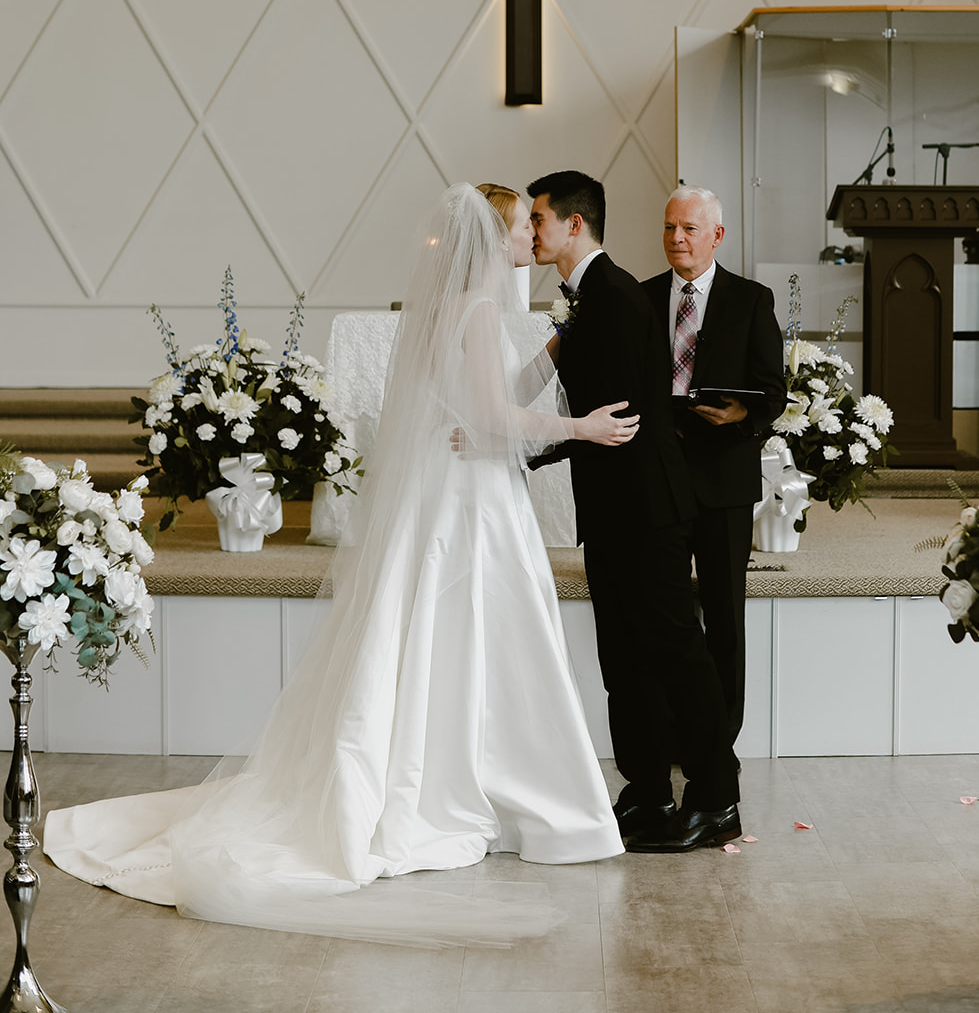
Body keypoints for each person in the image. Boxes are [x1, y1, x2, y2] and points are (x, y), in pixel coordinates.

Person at [44, 183, 634, 946]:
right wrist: (580, 427)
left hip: (448, 485)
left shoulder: (447, 309)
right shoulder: (481, 311)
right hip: (470, 499)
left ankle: (460, 777)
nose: (530, 238)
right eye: (523, 226)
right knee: (474, 632)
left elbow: (487, 399)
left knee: (441, 632)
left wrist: (553, 350)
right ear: (494, 239)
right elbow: (491, 418)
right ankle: (481, 784)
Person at [526, 170, 740, 854]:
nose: (530, 232)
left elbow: (618, 416)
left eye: (537, 220)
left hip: (646, 508)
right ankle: (645, 790)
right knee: (624, 663)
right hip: (613, 508)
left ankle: (715, 797)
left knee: (677, 654)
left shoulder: (612, 297)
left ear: (573, 224)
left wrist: (525, 448)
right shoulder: (589, 298)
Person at [643, 186, 786, 746]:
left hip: (723, 476)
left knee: (725, 613)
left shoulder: (751, 299)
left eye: (689, 229)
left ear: (717, 235)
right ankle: (675, 725)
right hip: (661, 472)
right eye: (669, 228)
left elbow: (773, 390)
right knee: (669, 610)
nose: (676, 238)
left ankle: (721, 733)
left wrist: (742, 413)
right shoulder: (644, 296)